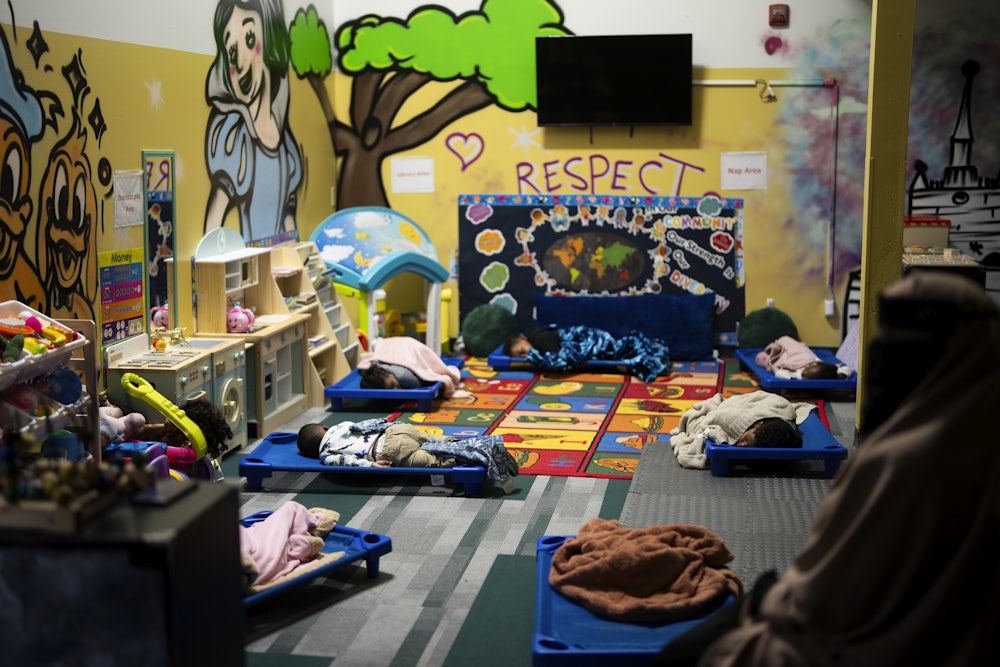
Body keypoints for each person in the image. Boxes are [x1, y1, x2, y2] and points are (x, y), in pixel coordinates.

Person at [657, 271, 1000, 666]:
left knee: (682, 653)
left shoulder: (897, 462)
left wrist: (765, 599)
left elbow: (825, 597)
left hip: (858, 646)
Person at [203, 0, 302, 243]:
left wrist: (300, 260)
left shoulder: (286, 149)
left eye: (249, 39)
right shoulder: (235, 139)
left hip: (279, 263)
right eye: (231, 51)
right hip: (248, 264)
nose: (239, 63)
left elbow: (290, 229)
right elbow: (212, 229)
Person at [297, 418, 519, 493]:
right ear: (324, 428)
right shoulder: (340, 426)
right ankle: (480, 442)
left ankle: (484, 452)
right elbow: (365, 425)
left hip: (388, 450)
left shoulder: (325, 454)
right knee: (437, 442)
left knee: (437, 462)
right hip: (395, 430)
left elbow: (347, 462)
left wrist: (371, 466)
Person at [503, 324, 671, 382]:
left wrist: (534, 357)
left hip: (589, 340)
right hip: (588, 339)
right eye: (521, 356)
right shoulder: (538, 341)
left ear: (523, 339)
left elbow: (561, 360)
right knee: (622, 351)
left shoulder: (540, 338)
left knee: (618, 350)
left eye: (522, 351)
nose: (526, 355)